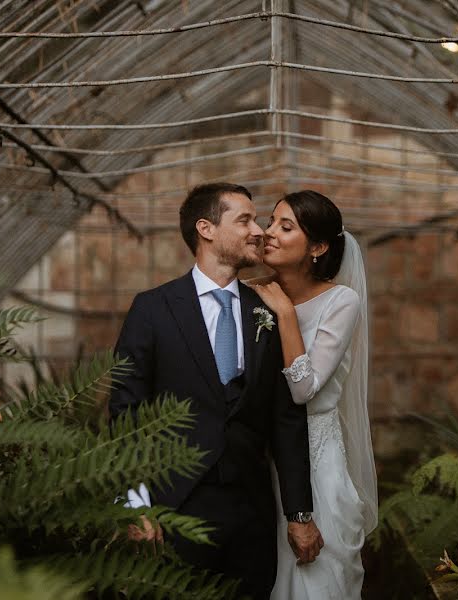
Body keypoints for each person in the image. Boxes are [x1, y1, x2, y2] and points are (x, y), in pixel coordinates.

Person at [109, 183, 324, 599]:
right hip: (173, 506)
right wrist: (134, 505)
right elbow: (126, 409)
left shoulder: (268, 310)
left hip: (253, 513)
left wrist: (299, 513)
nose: (258, 231)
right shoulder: (152, 308)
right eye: (244, 220)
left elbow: (286, 418)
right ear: (205, 229)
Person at [252, 190, 378, 599]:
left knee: (315, 583)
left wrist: (285, 312)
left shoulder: (341, 301)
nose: (268, 233)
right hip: (262, 463)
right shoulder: (253, 297)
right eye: (270, 222)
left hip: (317, 467)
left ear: (318, 247)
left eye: (285, 227)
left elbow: (303, 388)